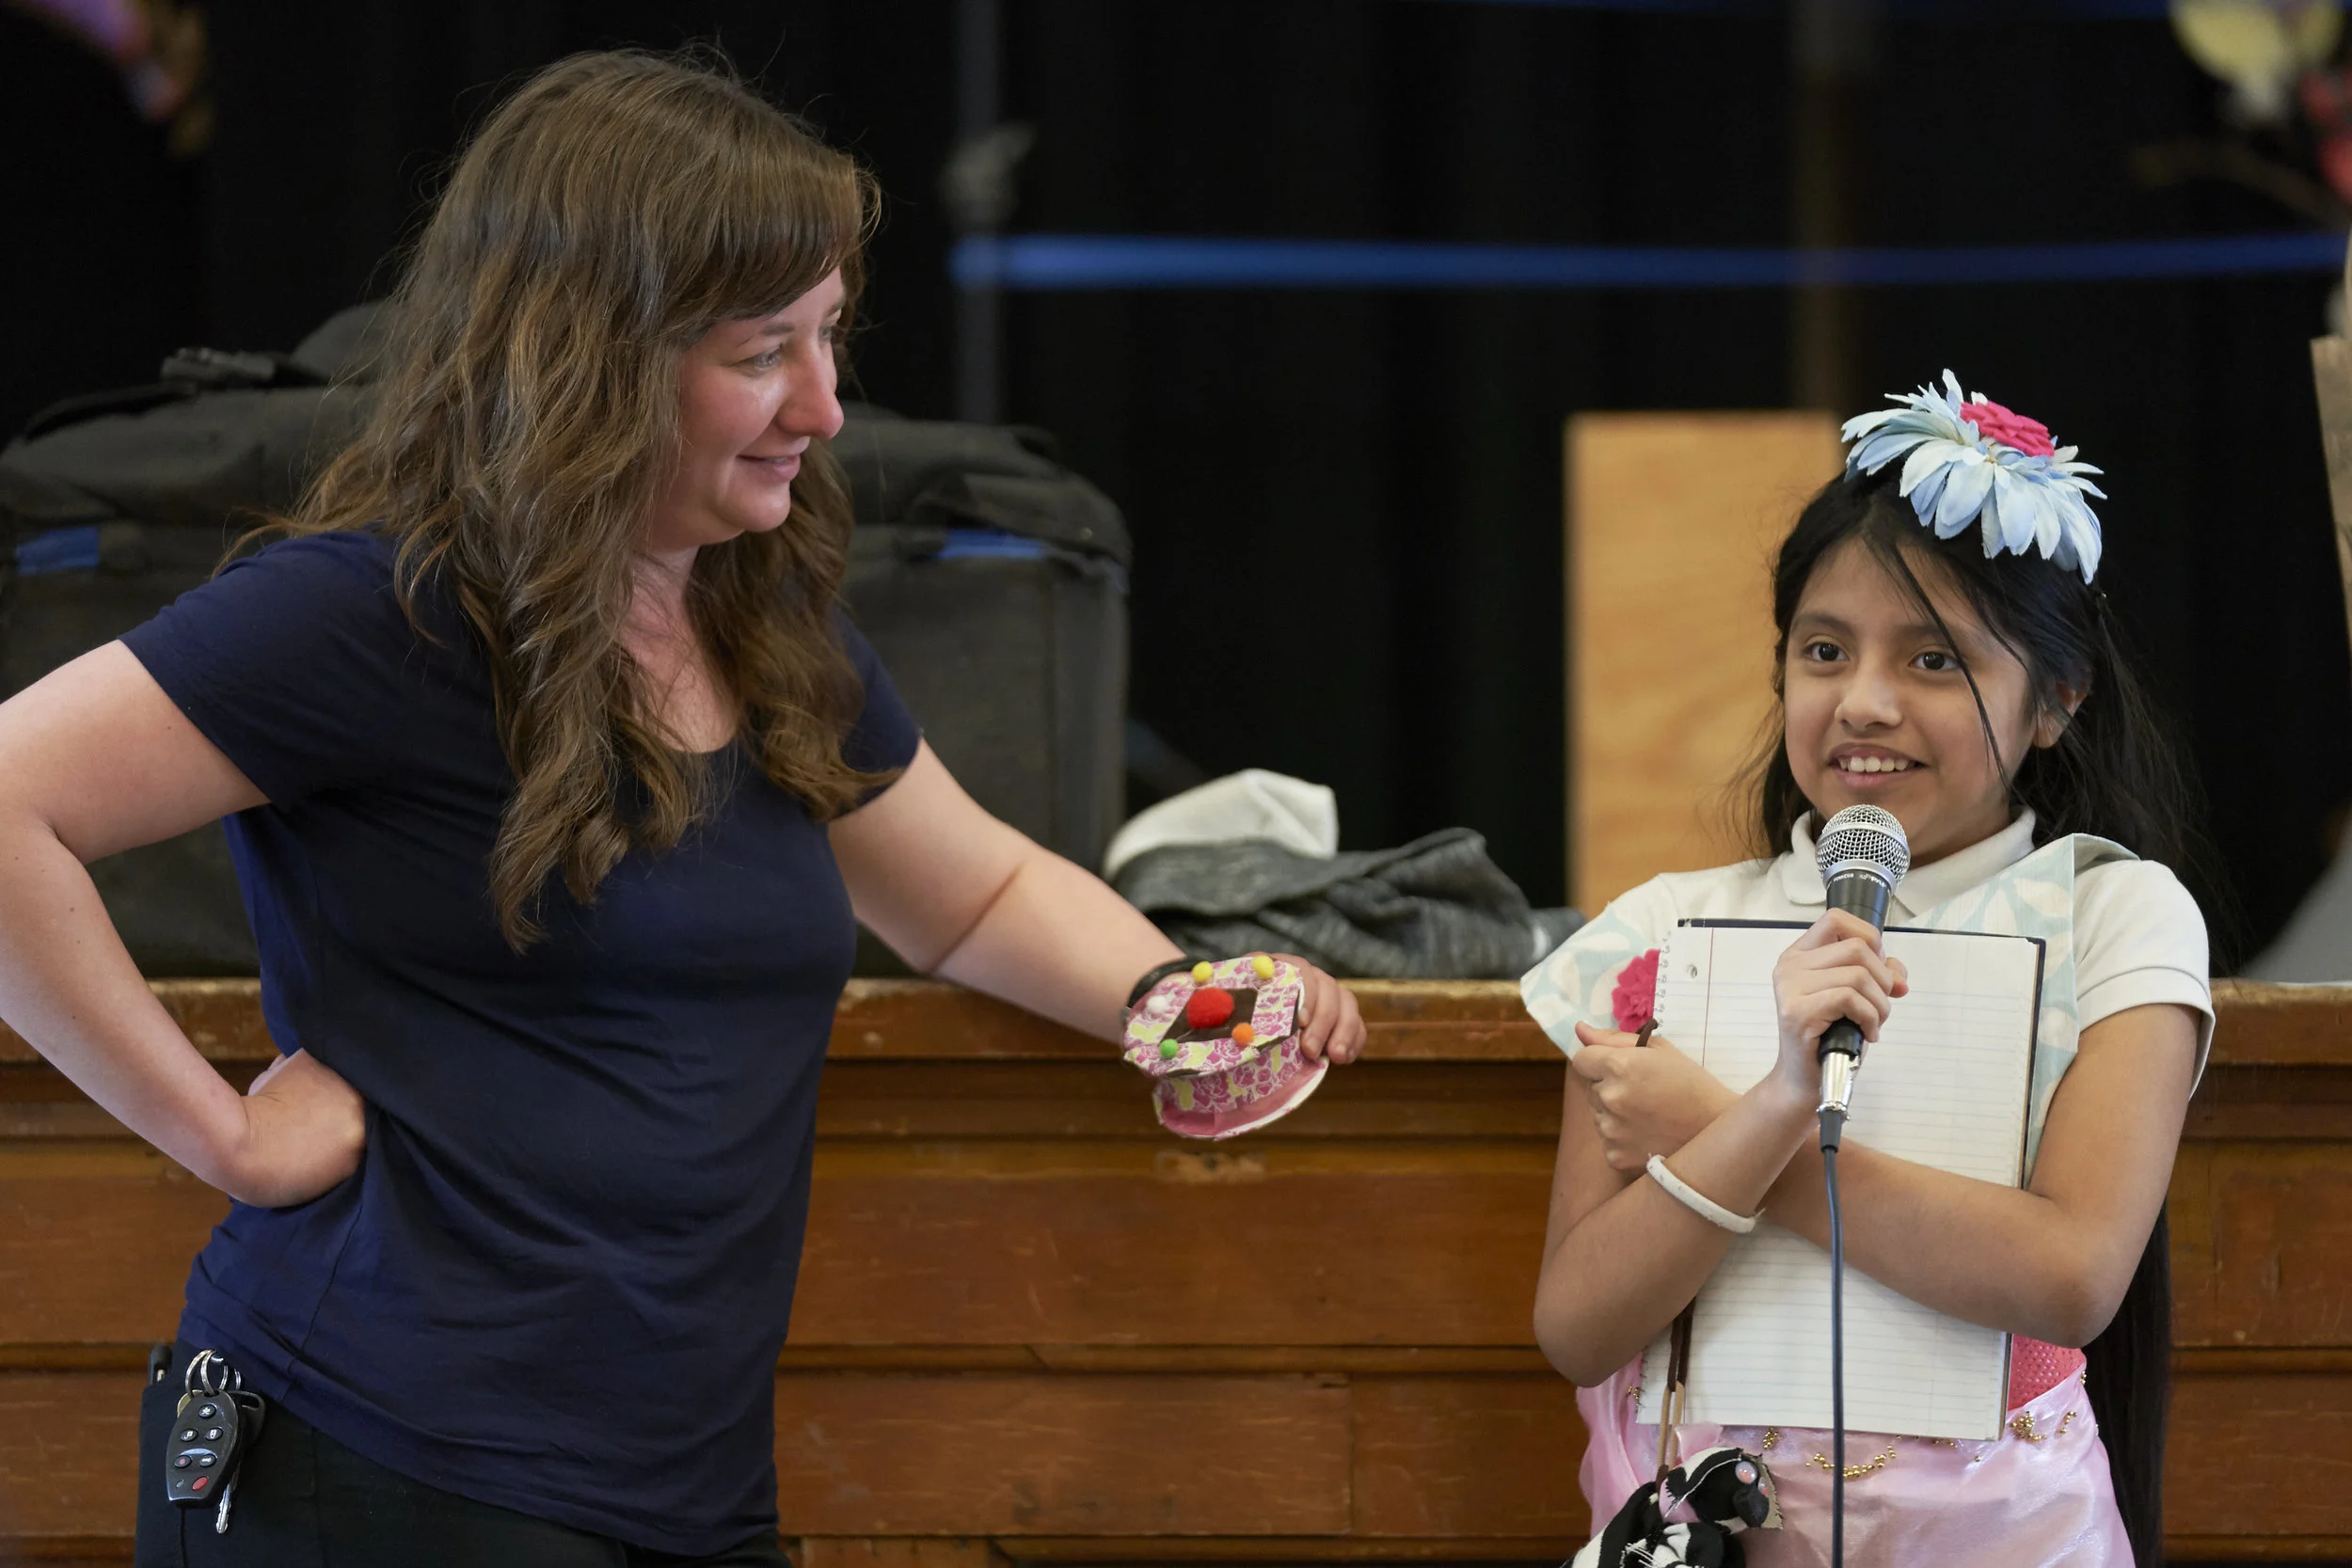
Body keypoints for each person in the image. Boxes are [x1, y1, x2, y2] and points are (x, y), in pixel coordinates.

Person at [0, 51, 1366, 1567]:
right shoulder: (372, 610)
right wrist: (223, 1139)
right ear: (592, 352)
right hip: (381, 1450)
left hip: (681, 1488)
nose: (825, 407)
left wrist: (1189, 1000)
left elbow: (972, 894)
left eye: (829, 336)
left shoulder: (761, 623)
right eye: (764, 351)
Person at [1522, 374, 2211, 1567]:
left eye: (1934, 658)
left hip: (2001, 1535)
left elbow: (2070, 1275)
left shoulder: (2110, 914)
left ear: (2055, 699)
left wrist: (1723, 1129)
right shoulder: (1667, 926)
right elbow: (1578, 1327)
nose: (1864, 701)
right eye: (1824, 650)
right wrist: (1767, 1110)